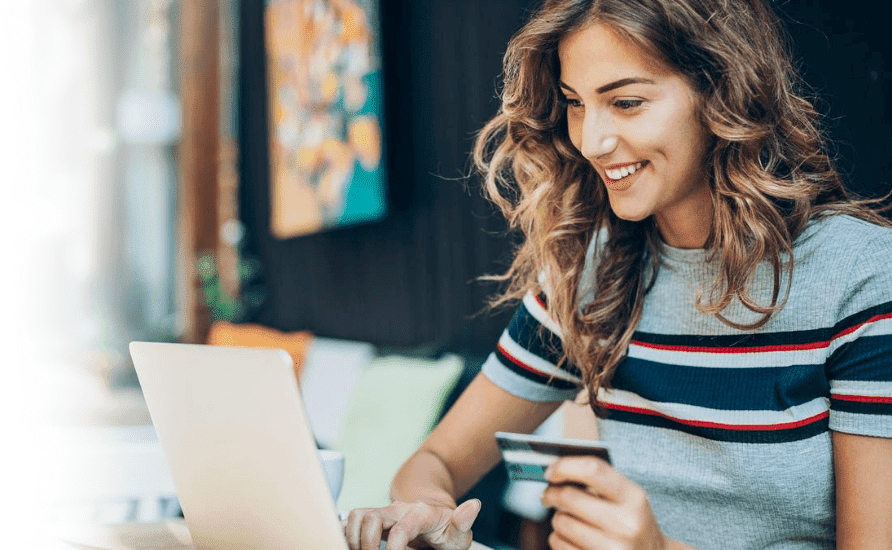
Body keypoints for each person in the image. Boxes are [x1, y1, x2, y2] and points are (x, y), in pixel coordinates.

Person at [344, 0, 892, 548]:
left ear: (723, 94)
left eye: (626, 102)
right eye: (575, 103)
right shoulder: (592, 272)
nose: (592, 141)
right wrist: (428, 510)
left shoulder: (860, 276)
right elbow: (435, 460)